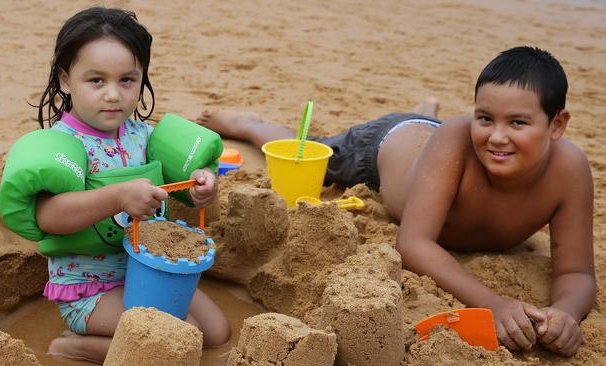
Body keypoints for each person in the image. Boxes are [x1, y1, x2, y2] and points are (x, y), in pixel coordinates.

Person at [196, 46, 595, 357]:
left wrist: (566, 315)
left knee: (432, 132)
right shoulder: (459, 138)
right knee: (311, 152)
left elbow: (577, 273)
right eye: (485, 118)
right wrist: (495, 303)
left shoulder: (570, 170)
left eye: (518, 123)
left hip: (428, 149)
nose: (497, 136)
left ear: (556, 125)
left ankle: (425, 113)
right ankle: (250, 124)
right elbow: (413, 243)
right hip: (386, 147)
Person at [34, 7, 230, 363]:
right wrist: (118, 197)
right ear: (65, 79)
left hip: (152, 272)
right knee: (175, 338)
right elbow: (49, 218)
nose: (113, 94)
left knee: (217, 334)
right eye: (96, 81)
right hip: (90, 288)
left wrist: (202, 185)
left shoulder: (145, 135)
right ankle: (72, 346)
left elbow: (183, 186)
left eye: (126, 80)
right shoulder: (62, 147)